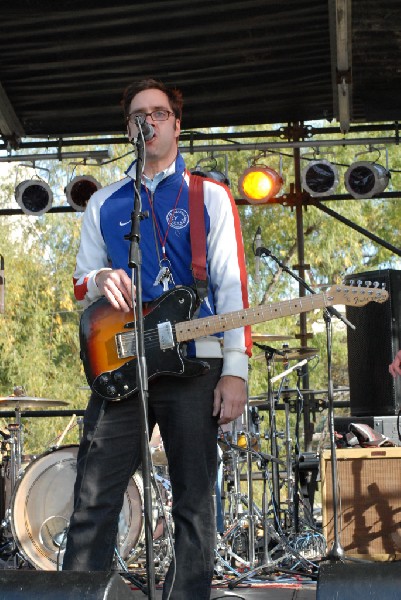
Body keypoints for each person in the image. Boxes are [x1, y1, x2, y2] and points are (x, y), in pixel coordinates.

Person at [63, 78, 252, 600]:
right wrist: (102, 280)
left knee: (195, 500)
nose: (149, 121)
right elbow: (83, 281)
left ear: (175, 123)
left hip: (195, 365)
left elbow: (231, 285)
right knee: (94, 495)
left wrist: (235, 369)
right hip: (122, 362)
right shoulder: (103, 202)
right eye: (138, 115)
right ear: (129, 127)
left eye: (159, 112)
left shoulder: (208, 196)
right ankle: (78, 593)